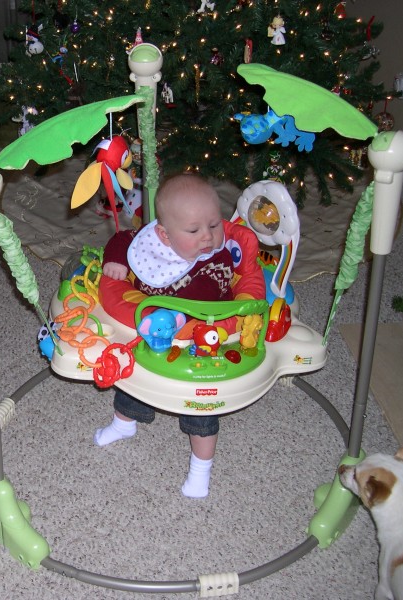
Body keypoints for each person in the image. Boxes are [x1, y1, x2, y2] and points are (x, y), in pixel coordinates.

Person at [94, 173, 265, 498]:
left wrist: (175, 317)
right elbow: (122, 239)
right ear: (163, 235)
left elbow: (203, 296)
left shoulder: (217, 260)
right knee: (134, 378)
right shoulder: (150, 243)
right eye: (194, 230)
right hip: (149, 333)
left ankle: (201, 468)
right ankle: (124, 422)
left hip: (202, 340)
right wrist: (115, 261)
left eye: (214, 225)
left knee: (201, 407)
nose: (208, 237)